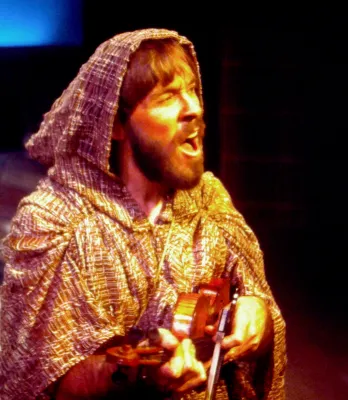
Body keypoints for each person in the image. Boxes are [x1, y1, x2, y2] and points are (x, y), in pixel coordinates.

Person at [0, 28, 286, 399]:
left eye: (192, 90)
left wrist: (258, 317)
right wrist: (139, 375)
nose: (194, 108)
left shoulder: (209, 203)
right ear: (116, 124)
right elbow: (37, 378)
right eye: (168, 96)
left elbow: (261, 314)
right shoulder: (55, 222)